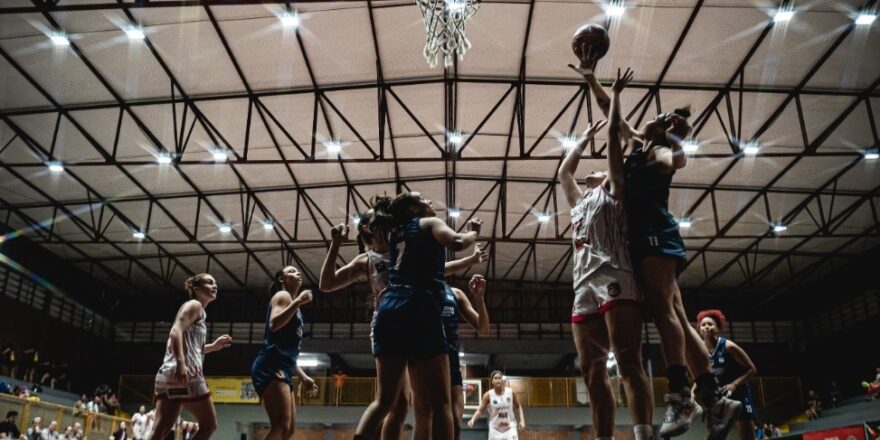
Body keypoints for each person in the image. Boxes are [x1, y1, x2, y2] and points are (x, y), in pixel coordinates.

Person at [570, 49, 740, 439]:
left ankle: (681, 393)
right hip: (645, 240)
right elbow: (611, 117)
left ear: (663, 130)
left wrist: (678, 136)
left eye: (662, 118)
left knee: (665, 312)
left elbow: (676, 157)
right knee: (678, 317)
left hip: (654, 236)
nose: (655, 116)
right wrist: (592, 78)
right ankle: (714, 397)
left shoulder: (660, 151)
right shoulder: (639, 145)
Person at [320, 198, 486, 440]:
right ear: (373, 230)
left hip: (392, 314)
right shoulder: (371, 258)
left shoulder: (402, 241)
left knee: (401, 405)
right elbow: (326, 284)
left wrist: (470, 261)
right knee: (407, 404)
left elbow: (441, 269)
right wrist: (335, 245)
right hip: (411, 312)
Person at [558, 68, 654, 440]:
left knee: (628, 361)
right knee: (592, 371)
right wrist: (581, 141)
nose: (590, 172)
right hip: (582, 284)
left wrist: (612, 96)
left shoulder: (614, 191)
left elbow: (615, 138)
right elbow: (564, 174)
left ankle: (644, 433)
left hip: (614, 273)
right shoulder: (579, 203)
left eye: (595, 168)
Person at [148, 274, 232, 440]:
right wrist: (181, 363)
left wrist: (213, 347)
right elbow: (175, 331)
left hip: (168, 375)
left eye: (215, 282)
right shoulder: (195, 305)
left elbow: (191, 348)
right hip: (187, 374)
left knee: (160, 430)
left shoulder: (197, 310)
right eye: (209, 282)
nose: (214, 285)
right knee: (209, 425)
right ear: (196, 288)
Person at [251, 265, 319, 440]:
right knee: (280, 425)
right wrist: (297, 302)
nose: (297, 273)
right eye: (291, 271)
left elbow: (287, 351)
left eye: (298, 271)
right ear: (282, 279)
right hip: (270, 363)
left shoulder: (293, 306)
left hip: (283, 364)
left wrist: (303, 376)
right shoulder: (283, 296)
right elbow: (274, 325)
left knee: (288, 430)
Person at [698, 310, 758, 440]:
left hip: (739, 395)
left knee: (747, 437)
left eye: (710, 324)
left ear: (717, 328)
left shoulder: (729, 346)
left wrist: (734, 384)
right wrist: (692, 393)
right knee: (713, 435)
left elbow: (752, 369)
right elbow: (700, 375)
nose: (707, 326)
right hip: (719, 397)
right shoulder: (700, 350)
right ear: (699, 329)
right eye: (703, 325)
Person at [467, 371, 526, 439]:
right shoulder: (488, 395)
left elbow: (518, 406)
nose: (497, 380)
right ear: (492, 381)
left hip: (510, 428)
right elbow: (480, 410)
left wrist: (522, 421)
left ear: (502, 381)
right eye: (495, 378)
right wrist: (473, 419)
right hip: (495, 429)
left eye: (499, 378)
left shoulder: (510, 392)